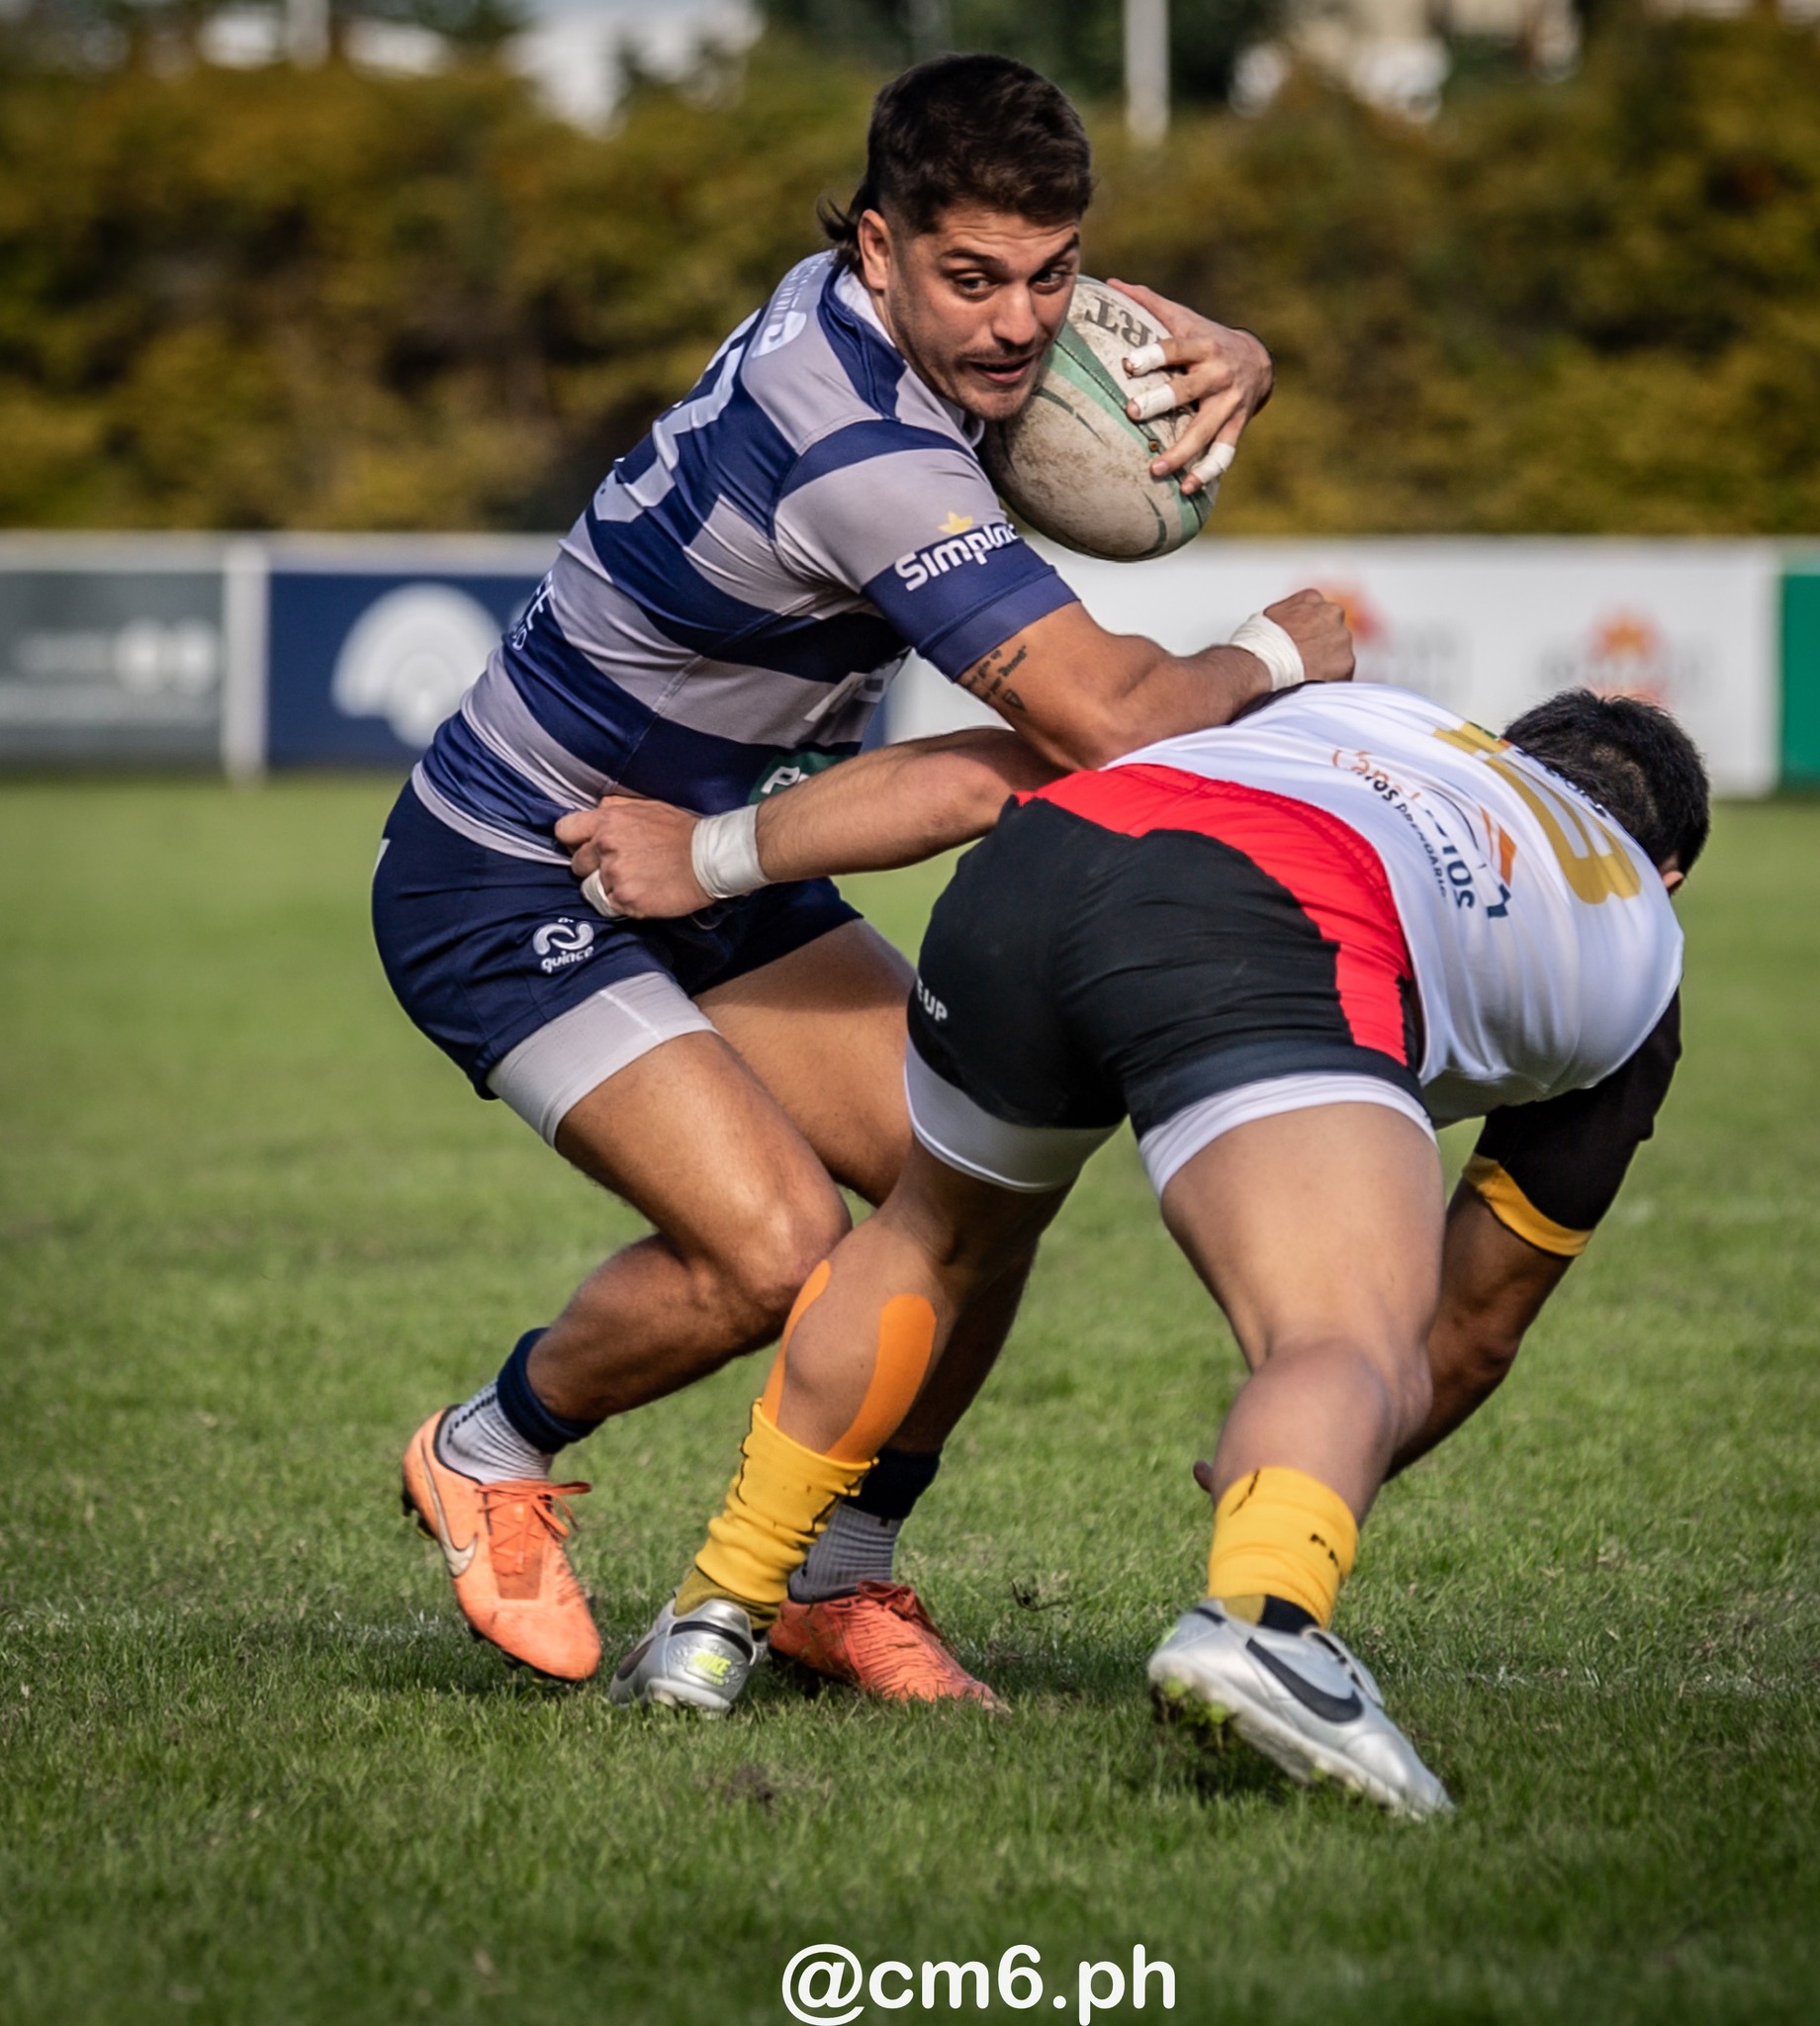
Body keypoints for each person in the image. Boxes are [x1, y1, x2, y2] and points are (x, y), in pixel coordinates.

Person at [373, 50, 1357, 1693]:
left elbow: (1079, 330)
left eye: (1052, 279)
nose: (1017, 324)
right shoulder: (856, 451)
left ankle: (840, 1566)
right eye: (969, 278)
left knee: (979, 1164)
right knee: (767, 1250)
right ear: (877, 250)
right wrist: (1274, 644)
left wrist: (1239, 348)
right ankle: (487, 1446)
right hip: (511, 863)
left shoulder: (898, 301)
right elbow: (1098, 726)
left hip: (703, 849)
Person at [610, 684, 1708, 1817]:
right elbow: (1470, 1330)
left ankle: (710, 1618)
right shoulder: (1641, 926)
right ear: (1667, 871)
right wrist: (1310, 1464)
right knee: (1342, 1332)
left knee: (927, 1238)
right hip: (1280, 909)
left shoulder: (1379, 711)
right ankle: (1268, 1626)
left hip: (1046, 853)